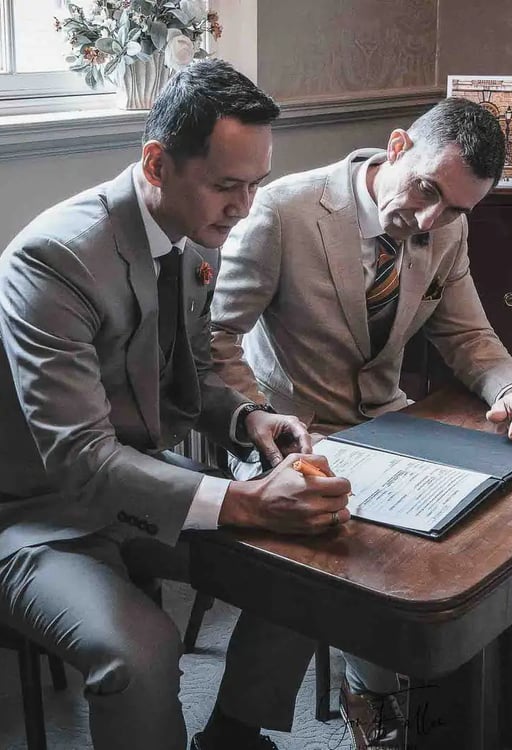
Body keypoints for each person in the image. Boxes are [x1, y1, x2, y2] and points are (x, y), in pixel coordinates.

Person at [0, 59, 351, 750]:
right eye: (227, 185)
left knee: (320, 566)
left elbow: (187, 382)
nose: (246, 207)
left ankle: (232, 735)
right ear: (157, 163)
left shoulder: (196, 244)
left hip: (140, 485)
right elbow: (80, 462)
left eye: (257, 184)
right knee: (143, 651)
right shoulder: (52, 261)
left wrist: (248, 418)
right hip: (38, 514)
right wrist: (248, 503)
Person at [210, 96, 512, 749]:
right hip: (286, 429)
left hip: (387, 420)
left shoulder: (447, 224)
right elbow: (216, 339)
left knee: (493, 510)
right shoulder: (285, 211)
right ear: (396, 146)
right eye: (427, 190)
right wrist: (260, 421)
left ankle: (452, 668)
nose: (431, 218)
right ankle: (244, 725)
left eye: (455, 207)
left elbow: (469, 337)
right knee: (320, 534)